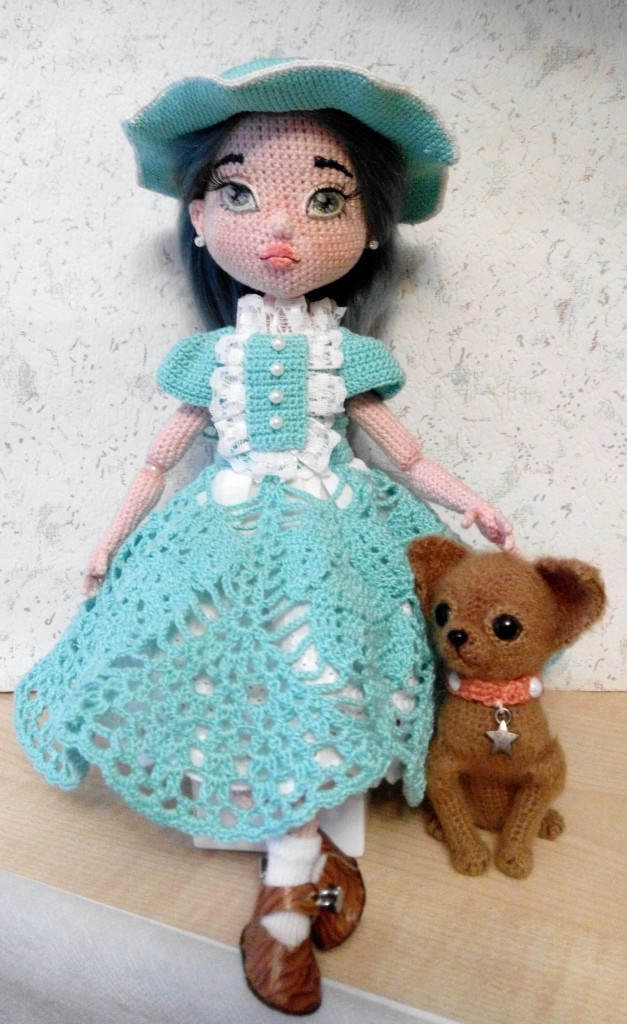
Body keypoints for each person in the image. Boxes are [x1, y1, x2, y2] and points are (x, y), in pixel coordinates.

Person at [15, 59, 514, 1015]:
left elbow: (402, 455)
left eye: (325, 199)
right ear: (199, 218)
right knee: (219, 663)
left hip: (333, 529)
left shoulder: (346, 358)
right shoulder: (210, 359)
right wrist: (111, 539)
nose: (279, 229)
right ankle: (285, 862)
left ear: (370, 228)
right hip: (228, 525)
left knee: (330, 661)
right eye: (239, 193)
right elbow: (158, 461)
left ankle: (304, 857)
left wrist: (465, 504)